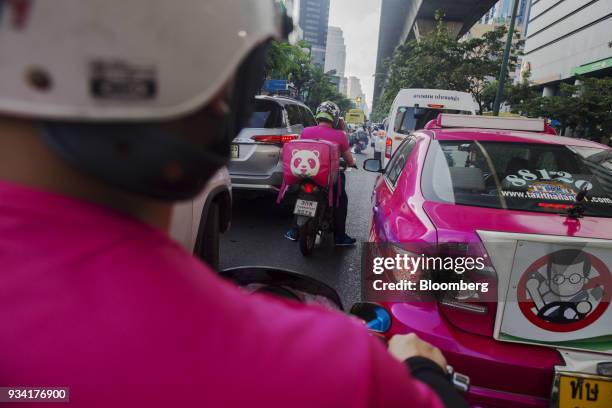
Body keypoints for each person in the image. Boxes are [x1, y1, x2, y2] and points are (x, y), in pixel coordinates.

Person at [0, 1, 466, 407]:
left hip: (296, 184)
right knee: (341, 208)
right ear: (228, 94)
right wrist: (423, 373)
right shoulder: (339, 373)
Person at [285, 101, 358, 246]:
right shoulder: (340, 135)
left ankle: (294, 231)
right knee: (341, 200)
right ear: (335, 118)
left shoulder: (306, 131)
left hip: (306, 175)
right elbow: (349, 160)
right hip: (328, 178)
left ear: (318, 115)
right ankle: (340, 237)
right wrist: (351, 164)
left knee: (301, 197)